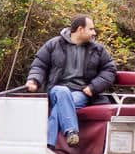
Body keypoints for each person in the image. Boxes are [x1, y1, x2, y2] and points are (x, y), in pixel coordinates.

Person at [24, 14, 117, 147]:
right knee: (62, 92)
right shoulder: (54, 44)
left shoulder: (98, 50)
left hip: (81, 92)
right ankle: (71, 131)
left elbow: (109, 70)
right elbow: (39, 65)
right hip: (57, 90)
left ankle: (48, 145)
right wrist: (33, 80)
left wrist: (93, 87)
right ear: (80, 29)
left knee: (59, 108)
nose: (94, 32)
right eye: (91, 29)